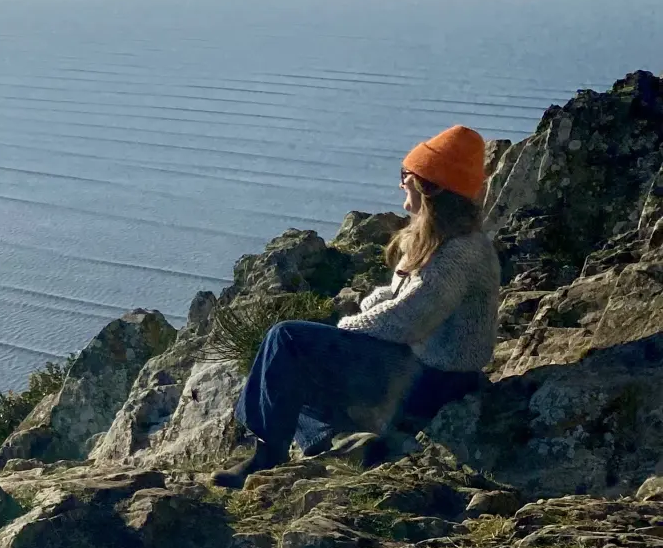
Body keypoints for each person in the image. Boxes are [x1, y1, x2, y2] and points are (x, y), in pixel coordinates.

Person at [213, 124, 500, 487]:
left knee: (287, 341)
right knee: (291, 363)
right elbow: (400, 296)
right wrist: (367, 312)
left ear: (431, 187)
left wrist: (348, 327)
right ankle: (340, 444)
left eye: (407, 176)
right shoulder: (439, 239)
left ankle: (267, 456)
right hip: (423, 368)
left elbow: (410, 318)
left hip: (436, 381)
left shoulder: (460, 252)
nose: (402, 183)